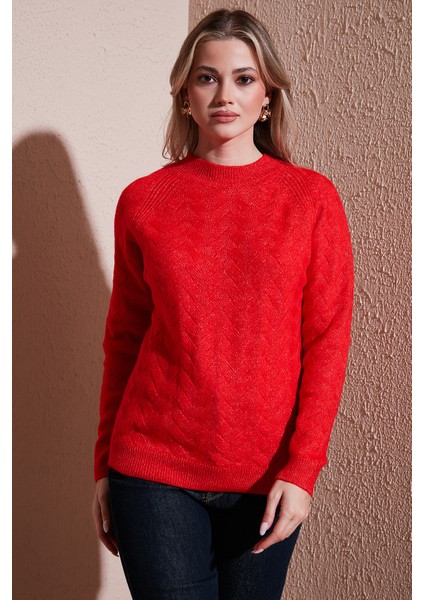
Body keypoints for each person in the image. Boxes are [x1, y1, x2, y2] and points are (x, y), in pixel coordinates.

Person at [92, 8, 354, 600]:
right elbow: (124, 339)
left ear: (268, 96)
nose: (224, 95)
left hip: (267, 477)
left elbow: (328, 340)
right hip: (151, 470)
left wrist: (303, 468)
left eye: (244, 78)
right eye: (207, 77)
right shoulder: (143, 202)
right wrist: (103, 463)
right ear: (185, 94)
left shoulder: (311, 200)